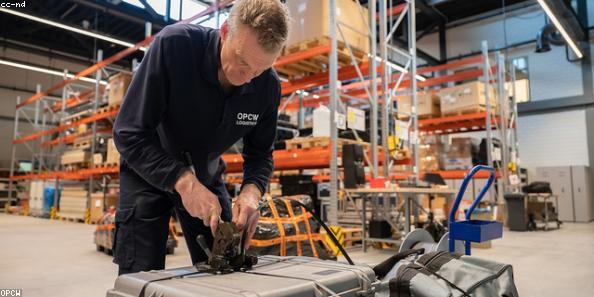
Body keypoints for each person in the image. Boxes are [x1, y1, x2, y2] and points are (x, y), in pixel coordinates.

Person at [112, 0, 289, 275]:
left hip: (205, 175)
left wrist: (252, 192)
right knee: (140, 274)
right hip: (147, 171)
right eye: (243, 62)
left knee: (228, 262)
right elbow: (128, 133)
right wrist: (183, 182)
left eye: (260, 69)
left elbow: (260, 154)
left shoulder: (267, 87)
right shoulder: (174, 47)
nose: (249, 79)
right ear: (225, 31)